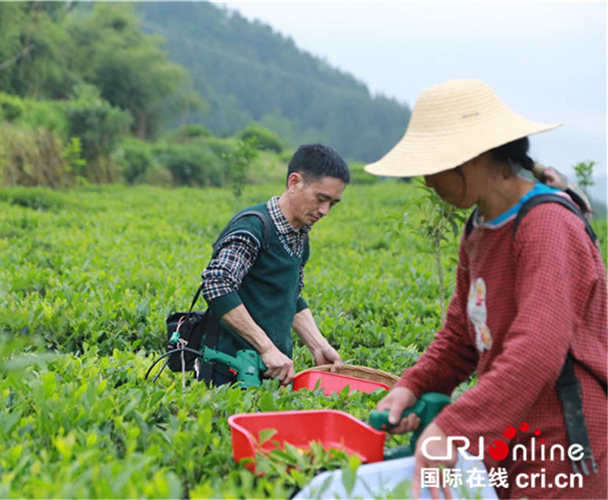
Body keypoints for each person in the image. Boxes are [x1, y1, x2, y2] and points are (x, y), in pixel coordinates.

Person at [364, 79, 606, 499]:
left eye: (434, 163)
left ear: (472, 158)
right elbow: (462, 333)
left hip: (564, 443)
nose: (427, 178)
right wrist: (413, 386)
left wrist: (451, 430)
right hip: (511, 434)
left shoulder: (547, 225)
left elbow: (538, 351)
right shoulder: (479, 227)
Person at [199, 144, 350, 387]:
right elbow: (217, 285)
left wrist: (318, 344)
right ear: (294, 182)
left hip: (273, 371)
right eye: (321, 199)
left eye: (333, 203)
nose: (325, 211)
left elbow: (291, 296)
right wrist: (266, 347)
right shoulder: (254, 228)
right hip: (229, 370)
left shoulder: (299, 234)